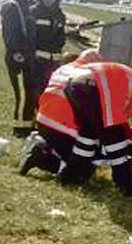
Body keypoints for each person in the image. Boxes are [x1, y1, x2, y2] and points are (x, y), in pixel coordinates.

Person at [61, 62, 132, 194]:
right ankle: (125, 185)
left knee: (88, 135)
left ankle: (71, 175)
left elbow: (120, 120)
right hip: (95, 86)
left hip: (74, 83)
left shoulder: (128, 80)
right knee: (115, 138)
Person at [20, 49, 101, 177]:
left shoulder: (63, 69)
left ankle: (46, 149)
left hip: (42, 120)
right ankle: (41, 158)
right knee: (84, 170)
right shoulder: (89, 77)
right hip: (63, 128)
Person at [0, 0, 43, 136]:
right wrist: (18, 54)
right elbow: (10, 35)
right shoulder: (12, 6)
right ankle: (20, 128)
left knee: (31, 92)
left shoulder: (25, 5)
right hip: (18, 59)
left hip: (28, 56)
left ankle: (28, 124)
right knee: (23, 94)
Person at [30, 0, 66, 97]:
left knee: (52, 91)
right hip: (37, 61)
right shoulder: (33, 12)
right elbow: (29, 36)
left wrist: (60, 45)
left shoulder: (60, 15)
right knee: (37, 92)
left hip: (54, 61)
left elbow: (61, 34)